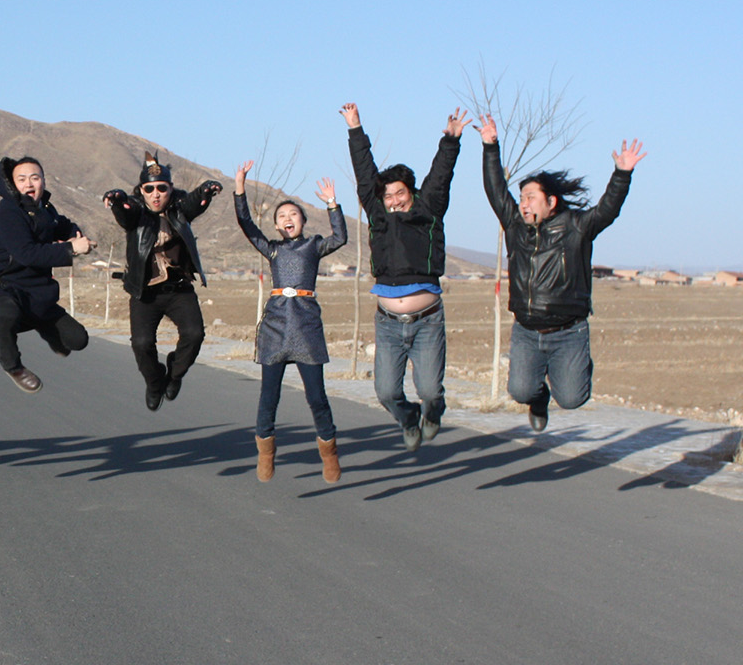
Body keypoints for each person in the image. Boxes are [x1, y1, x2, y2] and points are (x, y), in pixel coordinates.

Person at [480, 116, 645, 432]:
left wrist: (622, 174)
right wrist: (490, 147)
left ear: (551, 202)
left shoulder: (577, 227)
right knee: (521, 391)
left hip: (569, 332)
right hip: (527, 330)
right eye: (522, 198)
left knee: (572, 399)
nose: (523, 204)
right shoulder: (516, 227)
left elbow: (607, 209)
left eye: (530, 198)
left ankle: (578, 367)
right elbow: (495, 189)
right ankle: (539, 399)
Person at [344, 102, 464, 451]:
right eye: (388, 195)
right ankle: (408, 418)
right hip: (388, 322)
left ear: (410, 192)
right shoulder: (378, 215)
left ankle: (432, 411)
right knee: (385, 392)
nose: (394, 200)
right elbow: (365, 174)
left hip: (427, 320)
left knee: (429, 390)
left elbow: (440, 176)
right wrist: (355, 129)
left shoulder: (428, 210)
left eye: (400, 193)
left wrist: (451, 141)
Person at [233, 162, 346, 483]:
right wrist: (240, 188)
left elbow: (340, 236)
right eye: (281, 216)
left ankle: (329, 452)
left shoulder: (314, 246)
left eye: (293, 215)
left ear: (303, 221)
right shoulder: (271, 250)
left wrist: (332, 203)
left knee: (316, 397)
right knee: (269, 396)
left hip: (307, 327)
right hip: (276, 326)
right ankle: (266, 454)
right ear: (277, 225)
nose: (287, 219)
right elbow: (246, 224)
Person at [103, 151, 222, 411]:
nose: (156, 194)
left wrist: (206, 191)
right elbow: (125, 213)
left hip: (179, 288)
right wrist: (116, 200)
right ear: (142, 191)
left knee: (194, 334)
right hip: (145, 291)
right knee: (142, 344)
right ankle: (155, 382)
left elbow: (194, 202)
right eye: (150, 189)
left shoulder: (179, 208)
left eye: (161, 188)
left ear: (170, 189)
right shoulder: (136, 211)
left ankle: (175, 373)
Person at [0, 156, 93, 393]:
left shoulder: (46, 208)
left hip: (38, 292)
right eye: (22, 179)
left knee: (77, 340)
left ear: (43, 181)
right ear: (13, 184)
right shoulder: (9, 210)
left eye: (35, 178)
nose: (29, 184)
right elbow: (26, 254)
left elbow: (63, 224)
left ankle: (45, 327)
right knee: (7, 312)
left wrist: (76, 235)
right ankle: (13, 366)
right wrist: (70, 249)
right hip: (3, 287)